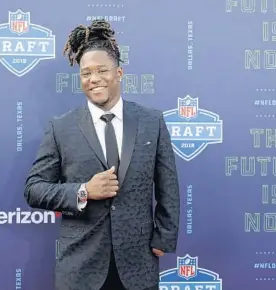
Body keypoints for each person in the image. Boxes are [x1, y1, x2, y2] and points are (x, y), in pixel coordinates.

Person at [24, 19, 180, 290]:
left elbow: (168, 186)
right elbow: (34, 189)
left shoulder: (151, 122)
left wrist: (164, 238)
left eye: (101, 70)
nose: (93, 79)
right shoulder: (60, 127)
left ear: (119, 73)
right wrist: (83, 191)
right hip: (80, 268)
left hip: (137, 266)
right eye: (86, 73)